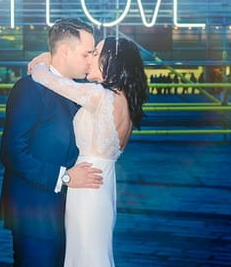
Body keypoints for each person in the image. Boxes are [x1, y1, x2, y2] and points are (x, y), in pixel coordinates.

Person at [28, 36, 149, 267]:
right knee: (93, 253)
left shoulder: (99, 96)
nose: (89, 58)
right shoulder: (125, 101)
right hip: (102, 185)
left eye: (95, 53)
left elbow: (44, 78)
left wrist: (45, 60)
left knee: (87, 255)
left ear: (110, 60)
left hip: (87, 187)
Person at [0, 18, 104, 267]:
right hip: (34, 213)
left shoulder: (75, 89)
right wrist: (65, 177)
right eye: (86, 54)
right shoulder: (29, 89)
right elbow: (12, 152)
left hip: (65, 212)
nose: (90, 60)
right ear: (65, 51)